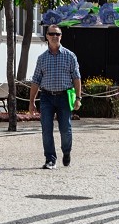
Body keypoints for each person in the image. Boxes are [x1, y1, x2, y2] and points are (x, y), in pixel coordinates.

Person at [30, 24, 82, 169]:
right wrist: (32, 101)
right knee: (46, 129)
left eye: (57, 34)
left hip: (64, 96)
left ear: (61, 36)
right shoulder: (42, 58)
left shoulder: (70, 56)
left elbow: (77, 78)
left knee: (65, 129)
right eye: (51, 34)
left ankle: (66, 152)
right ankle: (50, 159)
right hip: (46, 96)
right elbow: (35, 80)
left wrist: (78, 98)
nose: (54, 37)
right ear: (46, 36)